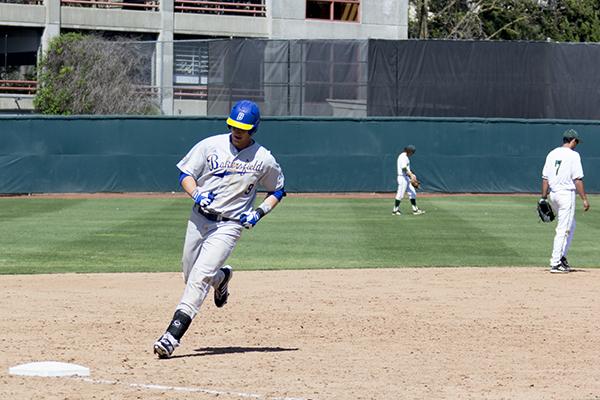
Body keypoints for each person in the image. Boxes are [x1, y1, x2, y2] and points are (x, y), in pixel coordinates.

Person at [153, 100, 286, 358]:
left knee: (199, 277)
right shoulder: (210, 145)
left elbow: (278, 189)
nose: (238, 131)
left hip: (230, 225)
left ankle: (172, 336)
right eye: (234, 125)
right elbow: (185, 174)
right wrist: (196, 193)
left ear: (253, 129)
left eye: (243, 128)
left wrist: (259, 212)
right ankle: (221, 278)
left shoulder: (263, 159)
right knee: (189, 273)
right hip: (199, 219)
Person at [541, 129, 590, 274]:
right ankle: (556, 262)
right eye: (576, 142)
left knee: (571, 225)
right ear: (573, 140)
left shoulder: (552, 153)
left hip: (554, 195)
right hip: (566, 195)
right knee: (563, 229)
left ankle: (561, 257)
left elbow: (545, 178)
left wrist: (543, 197)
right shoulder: (574, 155)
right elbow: (577, 179)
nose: (576, 144)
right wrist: (584, 199)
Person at [392, 144, 425, 216]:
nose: (412, 154)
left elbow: (407, 169)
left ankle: (415, 210)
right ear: (409, 151)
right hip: (402, 178)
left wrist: (412, 176)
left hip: (406, 177)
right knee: (400, 195)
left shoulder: (405, 156)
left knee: (413, 193)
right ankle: (395, 210)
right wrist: (411, 175)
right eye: (412, 152)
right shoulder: (403, 157)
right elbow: (404, 169)